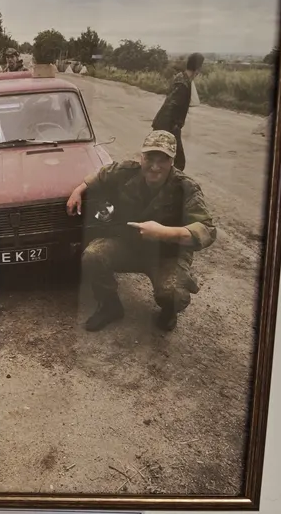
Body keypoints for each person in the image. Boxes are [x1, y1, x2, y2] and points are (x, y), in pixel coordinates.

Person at [65, 130, 217, 333]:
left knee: (174, 293)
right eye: (150, 158)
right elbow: (101, 175)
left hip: (166, 255)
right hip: (130, 246)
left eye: (162, 160)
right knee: (93, 255)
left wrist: (164, 233)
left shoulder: (186, 187)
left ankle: (168, 312)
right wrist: (78, 190)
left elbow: (206, 229)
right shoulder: (128, 171)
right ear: (141, 157)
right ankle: (110, 306)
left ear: (172, 161)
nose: (154, 166)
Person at [151, 52, 204, 170]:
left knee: (165, 159)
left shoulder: (181, 77)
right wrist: (170, 129)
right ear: (198, 68)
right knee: (178, 162)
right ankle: (169, 185)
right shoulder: (183, 84)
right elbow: (170, 105)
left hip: (166, 125)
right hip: (168, 126)